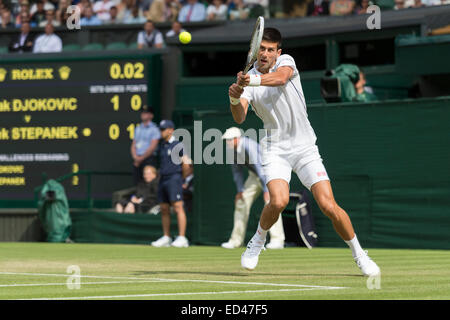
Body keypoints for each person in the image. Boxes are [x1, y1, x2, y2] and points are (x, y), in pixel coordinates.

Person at [228, 28, 380, 276]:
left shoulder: (286, 62)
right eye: (261, 49)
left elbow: (279, 78)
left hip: (305, 147)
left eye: (270, 49)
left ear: (278, 52)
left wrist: (249, 81)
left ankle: (360, 254)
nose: (265, 54)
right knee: (278, 200)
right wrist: (235, 97)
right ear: (255, 52)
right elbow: (240, 117)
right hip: (274, 149)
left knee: (328, 205)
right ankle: (257, 242)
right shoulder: (249, 79)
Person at [221, 127, 285, 250]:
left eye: (229, 140)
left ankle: (278, 240)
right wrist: (240, 190)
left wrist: (267, 190)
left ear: (237, 139)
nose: (227, 142)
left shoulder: (248, 146)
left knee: (272, 203)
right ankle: (235, 241)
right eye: (226, 140)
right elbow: (237, 171)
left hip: (267, 173)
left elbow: (260, 168)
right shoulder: (231, 150)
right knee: (241, 202)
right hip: (254, 176)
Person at [151, 120, 193, 248]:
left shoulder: (178, 145)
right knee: (164, 208)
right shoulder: (161, 145)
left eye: (163, 129)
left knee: (178, 207)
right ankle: (167, 237)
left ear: (170, 130)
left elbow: (187, 164)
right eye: (160, 129)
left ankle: (182, 237)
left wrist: (180, 178)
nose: (161, 132)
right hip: (163, 179)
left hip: (174, 178)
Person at [131, 105, 161, 185]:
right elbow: (133, 144)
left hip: (149, 160)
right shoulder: (138, 128)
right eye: (142, 113)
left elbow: (152, 147)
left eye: (146, 113)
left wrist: (141, 158)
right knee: (137, 183)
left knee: (149, 183)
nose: (143, 114)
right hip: (137, 160)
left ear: (151, 115)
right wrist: (135, 157)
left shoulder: (154, 129)